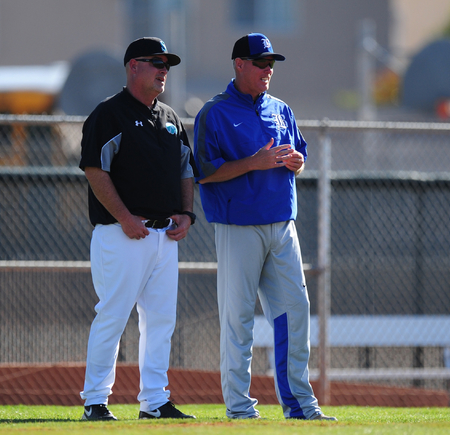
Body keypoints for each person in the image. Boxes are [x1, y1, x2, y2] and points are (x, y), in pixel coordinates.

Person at [193, 33, 336, 421]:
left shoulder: (281, 108)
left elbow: (300, 155)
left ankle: (301, 406)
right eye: (260, 62)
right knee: (238, 319)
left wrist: (294, 162)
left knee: (295, 311)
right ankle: (240, 409)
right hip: (238, 227)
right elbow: (203, 172)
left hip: (282, 225)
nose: (267, 69)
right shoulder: (215, 112)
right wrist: (253, 163)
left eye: (271, 62)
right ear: (239, 64)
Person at [78, 37, 197, 421]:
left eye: (167, 64)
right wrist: (126, 217)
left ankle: (155, 402)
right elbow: (96, 170)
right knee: (113, 315)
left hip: (164, 236)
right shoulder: (109, 114)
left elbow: (185, 170)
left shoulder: (169, 116)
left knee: (161, 321)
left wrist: (186, 213)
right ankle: (95, 400)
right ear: (133, 67)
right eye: (156, 62)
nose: (164, 70)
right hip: (121, 233)